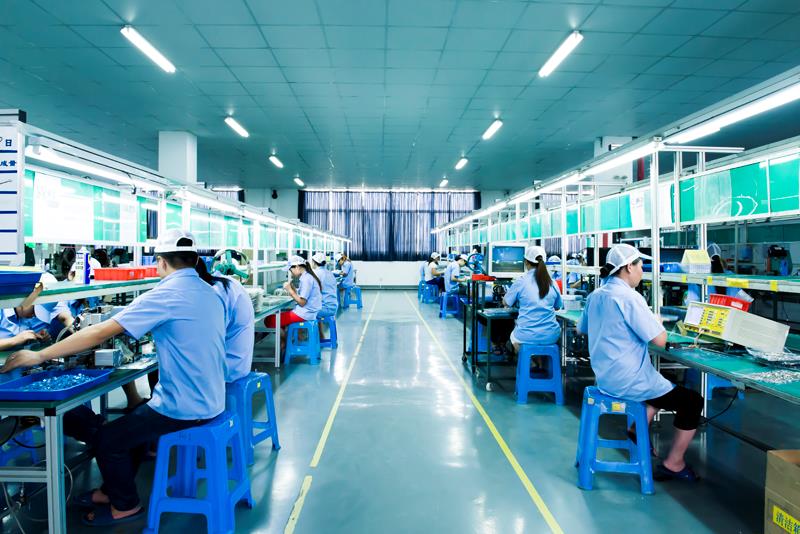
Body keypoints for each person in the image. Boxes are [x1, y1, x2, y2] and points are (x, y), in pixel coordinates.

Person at [1, 229, 227, 526]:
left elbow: (99, 332)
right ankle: (110, 490)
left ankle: (125, 505)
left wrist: (39, 356)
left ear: (160, 262)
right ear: (195, 260)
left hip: (184, 406)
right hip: (212, 398)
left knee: (109, 440)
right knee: (132, 422)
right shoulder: (210, 293)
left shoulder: (166, 294)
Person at [577, 244, 703, 483]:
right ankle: (674, 463)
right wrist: (656, 322)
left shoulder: (596, 295)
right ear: (628, 267)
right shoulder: (630, 297)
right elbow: (660, 341)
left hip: (605, 379)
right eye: (640, 266)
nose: (642, 271)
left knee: (663, 383)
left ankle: (637, 428)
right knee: (692, 401)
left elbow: (580, 328)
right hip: (629, 382)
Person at [196, 260, 255, 383]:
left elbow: (210, 336)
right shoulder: (224, 283)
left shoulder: (218, 292)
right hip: (234, 360)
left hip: (229, 367)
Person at [503, 246, 562, 356]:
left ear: (526, 262)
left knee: (514, 337)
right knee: (539, 341)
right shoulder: (552, 282)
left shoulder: (521, 281)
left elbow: (506, 302)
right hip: (551, 335)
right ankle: (540, 363)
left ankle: (530, 362)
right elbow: (558, 306)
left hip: (527, 335)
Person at [265, 255, 322, 355]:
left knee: (269, 320)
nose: (291, 273)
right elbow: (302, 296)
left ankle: (286, 342)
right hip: (308, 312)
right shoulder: (307, 277)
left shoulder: (306, 279)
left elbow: (302, 302)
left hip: (304, 314)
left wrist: (290, 290)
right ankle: (286, 341)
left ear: (297, 267)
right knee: (281, 319)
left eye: (291, 270)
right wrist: (293, 290)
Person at [0, 273, 74, 344]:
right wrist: (15, 340)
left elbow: (66, 318)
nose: (34, 316)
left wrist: (38, 338)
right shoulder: (2, 308)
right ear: (27, 297)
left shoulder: (50, 303)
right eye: (35, 311)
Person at [311, 252, 338, 318]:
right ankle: (319, 325)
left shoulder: (316, 274)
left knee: (301, 312)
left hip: (323, 308)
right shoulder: (330, 273)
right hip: (333, 307)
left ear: (314, 262)